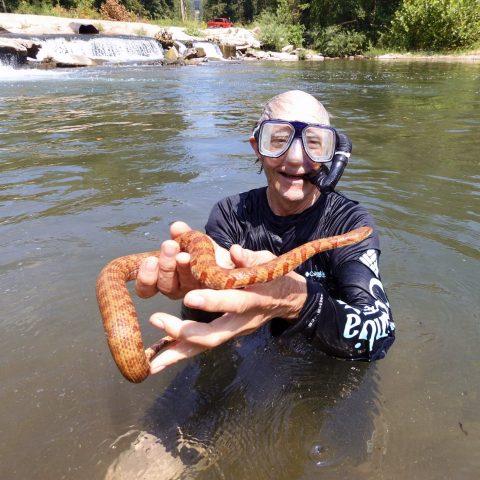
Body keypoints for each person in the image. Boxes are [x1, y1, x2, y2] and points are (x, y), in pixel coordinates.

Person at [136, 90, 395, 375]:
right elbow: (210, 316)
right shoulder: (230, 214)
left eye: (314, 143)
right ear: (257, 147)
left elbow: (379, 337)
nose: (297, 159)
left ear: (330, 156)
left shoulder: (351, 224)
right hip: (246, 346)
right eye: (279, 140)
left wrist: (297, 299)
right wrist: (202, 289)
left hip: (324, 358)